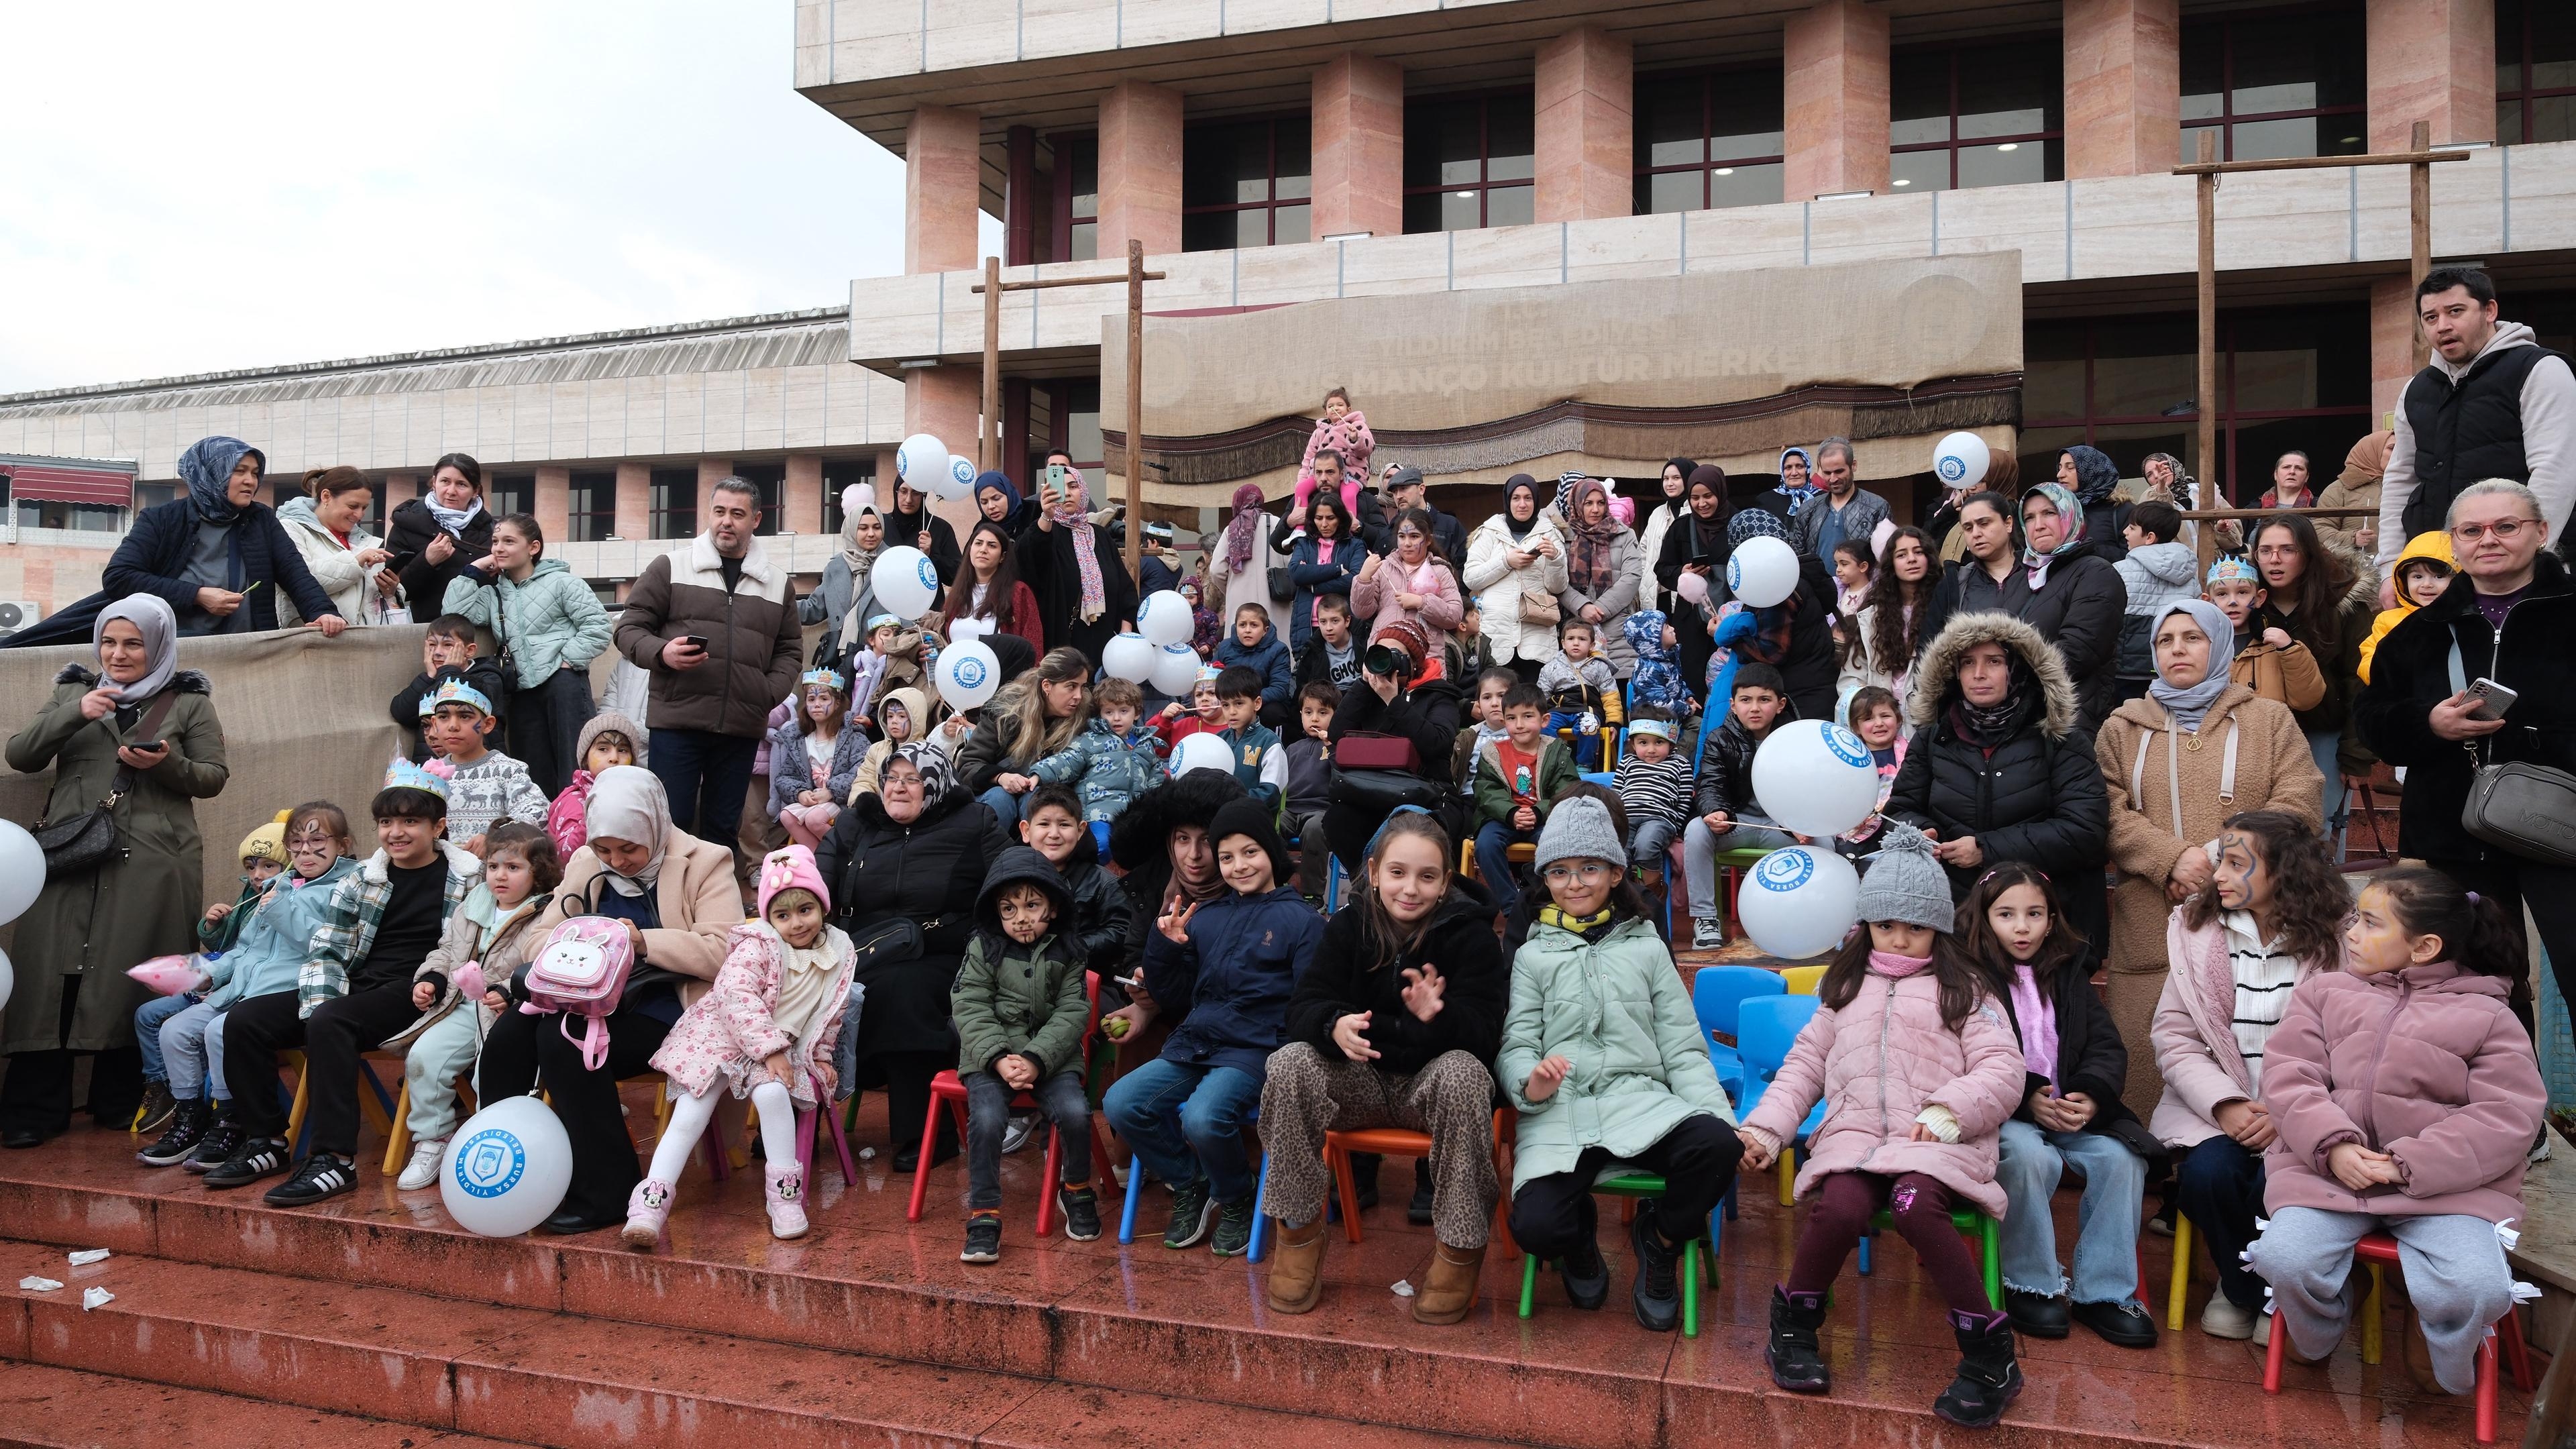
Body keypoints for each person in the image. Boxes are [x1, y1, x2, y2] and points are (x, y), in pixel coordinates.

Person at [1739, 824, 2025, 1425]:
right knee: (1839, 1206)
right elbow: (1804, 1067)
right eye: (1886, 924)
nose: (1900, 938)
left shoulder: (1965, 989)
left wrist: (1950, 1111)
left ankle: (1988, 1354)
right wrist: (1767, 1128)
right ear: (1866, 923)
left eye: (1915, 927)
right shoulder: (1843, 987)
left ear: (1938, 928)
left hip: (1934, 1144)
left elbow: (2003, 1068)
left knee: (1917, 1204)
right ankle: (1793, 1327)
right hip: (1855, 1137)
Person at [2249, 866, 2542, 1393]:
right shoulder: (2326, 993)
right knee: (2284, 1258)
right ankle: (2328, 1315)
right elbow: (2291, 1077)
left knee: (2473, 1285)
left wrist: (2411, 1163)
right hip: (2330, 1180)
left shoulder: (2490, 1016)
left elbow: (2508, 1116)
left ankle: (2439, 1345)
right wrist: (2333, 1147)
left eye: (2369, 923)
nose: (2351, 934)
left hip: (2448, 1193)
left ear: (2425, 946)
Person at [1503, 795, 1739, 1334]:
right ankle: (1579, 1238)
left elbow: (1682, 1045)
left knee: (1717, 1145)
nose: (1575, 882)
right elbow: (1517, 1042)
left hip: (1640, 1102)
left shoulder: (1648, 946)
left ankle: (1658, 1244)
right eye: (1559, 871)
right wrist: (1531, 1083)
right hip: (1561, 1112)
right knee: (1536, 1226)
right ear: (1545, 879)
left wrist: (1718, 1118)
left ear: (1614, 873)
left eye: (1589, 868)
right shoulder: (1532, 955)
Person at [1260, 812, 1507, 1322]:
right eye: (1397, 873)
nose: (1410, 888)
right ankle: (1299, 1233)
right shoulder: (1350, 925)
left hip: (1430, 1086)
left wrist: (1440, 1017)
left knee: (1465, 1073)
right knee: (1289, 1064)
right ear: (1373, 873)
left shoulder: (1474, 937)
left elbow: (1486, 1039)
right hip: (1360, 1082)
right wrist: (1332, 1026)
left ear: (1445, 884)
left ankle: (1459, 1250)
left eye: (1426, 876)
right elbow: (1302, 1007)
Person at [1, 596, 229, 1146]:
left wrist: (166, 763)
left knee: (132, 974)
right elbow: (21, 755)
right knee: (51, 972)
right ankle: (34, 1108)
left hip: (153, 861)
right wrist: (73, 715)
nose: (119, 653)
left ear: (158, 646)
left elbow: (213, 776)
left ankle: (121, 1100)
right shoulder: (72, 692)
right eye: (109, 641)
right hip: (68, 856)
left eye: (134, 643)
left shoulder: (189, 702)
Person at [477, 766, 742, 1232]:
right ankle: (509, 1173)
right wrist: (582, 937)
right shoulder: (586, 861)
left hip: (667, 1004)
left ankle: (608, 1191)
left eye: (629, 848)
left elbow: (724, 951)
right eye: (605, 848)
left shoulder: (706, 860)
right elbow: (536, 941)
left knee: (568, 1045)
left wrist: (642, 942)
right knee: (507, 1041)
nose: (615, 860)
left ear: (655, 827)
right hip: (585, 996)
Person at [205, 761, 479, 1201]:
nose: (397, 832)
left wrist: (327, 1013)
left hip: (423, 990)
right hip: (356, 987)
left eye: (411, 821)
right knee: (246, 1020)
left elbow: (472, 948)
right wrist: (321, 999)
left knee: (332, 1022)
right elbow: (328, 948)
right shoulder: (362, 879)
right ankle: (266, 1141)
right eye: (387, 822)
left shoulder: (468, 879)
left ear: (438, 826)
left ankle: (335, 1159)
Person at [2094, 600, 2322, 1123]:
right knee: (2155, 1058)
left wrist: (2215, 861)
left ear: (2221, 644)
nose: (2177, 649)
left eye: (2193, 637)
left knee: (2250, 1052)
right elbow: (2106, 811)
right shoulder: (2122, 728)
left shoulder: (2268, 719)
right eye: (2165, 640)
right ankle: (2159, 1178)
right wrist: (2169, 859)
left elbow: (2299, 800)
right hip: (2152, 914)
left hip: (2259, 916)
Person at [2356, 478, 2576, 1003]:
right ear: (2455, 543)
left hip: (2563, 826)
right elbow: (2372, 721)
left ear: (2541, 532)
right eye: (2472, 530)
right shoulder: (2416, 632)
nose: (2489, 540)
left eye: (2506, 526)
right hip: (2455, 834)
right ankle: (2502, 1089)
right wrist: (2428, 724)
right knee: (2480, 994)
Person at [2149, 811, 2347, 1341]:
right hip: (2223, 1114)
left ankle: (2270, 1292)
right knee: (2206, 1176)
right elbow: (2175, 1038)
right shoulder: (2198, 935)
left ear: (2284, 872)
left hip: (2309, 1117)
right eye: (2222, 861)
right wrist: (2227, 1105)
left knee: (2272, 1182)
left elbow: (2355, 1050)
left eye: (2237, 864)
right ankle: (2250, 1289)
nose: (2218, 876)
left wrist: (2288, 1116)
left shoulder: (2339, 946)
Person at [1105, 797, 1323, 1257]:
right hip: (1197, 1042)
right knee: (1121, 1102)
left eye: (1250, 852)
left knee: (1203, 1117)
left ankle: (1236, 1194)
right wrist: (1165, 948)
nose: (1238, 865)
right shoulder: (1208, 915)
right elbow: (1175, 995)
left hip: (1256, 1048)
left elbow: (1308, 999)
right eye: (1227, 857)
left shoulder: (1302, 920)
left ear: (1271, 852)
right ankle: (1192, 1183)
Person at [1960, 863, 2161, 1349]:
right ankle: (2030, 1282)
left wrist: (2089, 1096)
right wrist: (2029, 1097)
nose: (2022, 926)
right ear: (1985, 920)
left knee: (2121, 1159)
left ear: (2052, 919)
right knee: (2030, 1157)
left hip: (2072, 1110)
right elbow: (1963, 1055)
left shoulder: (2070, 970)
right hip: (2006, 1111)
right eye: (2006, 914)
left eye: (2035, 913)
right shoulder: (1966, 978)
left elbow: (2106, 1047)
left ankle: (2104, 1292)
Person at [616, 843, 855, 1246]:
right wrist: (770, 1048)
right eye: (783, 914)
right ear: (769, 917)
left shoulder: (839, 952)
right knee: (692, 1110)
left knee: (773, 1097)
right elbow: (735, 996)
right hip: (723, 1036)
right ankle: (651, 1203)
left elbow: (829, 1013)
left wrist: (820, 1055)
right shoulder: (757, 944)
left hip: (777, 1047)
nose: (796, 923)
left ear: (823, 907)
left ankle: (784, 1198)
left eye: (805, 910)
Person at [819, 745, 1015, 1172]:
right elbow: (816, 882)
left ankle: (926, 1134)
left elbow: (1011, 879)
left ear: (935, 784)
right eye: (892, 778)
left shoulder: (973, 823)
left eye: (912, 779)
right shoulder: (857, 823)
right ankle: (795, 1120)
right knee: (807, 985)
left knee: (902, 990)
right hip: (861, 951)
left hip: (942, 951)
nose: (899, 789)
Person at [139, 802, 354, 1172]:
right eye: (296, 843)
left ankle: (231, 1120)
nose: (305, 851)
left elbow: (327, 945)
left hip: (288, 994)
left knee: (221, 1031)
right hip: (240, 989)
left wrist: (279, 909)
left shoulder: (348, 887)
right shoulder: (278, 886)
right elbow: (244, 951)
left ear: (343, 845)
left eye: (317, 840)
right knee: (173, 1030)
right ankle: (191, 1117)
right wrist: (203, 972)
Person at [1888, 612, 2111, 952]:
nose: (1979, 674)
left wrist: (1985, 848)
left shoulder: (2062, 740)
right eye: (1967, 663)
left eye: (1993, 661)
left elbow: (2085, 830)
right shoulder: (1932, 739)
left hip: (2046, 925)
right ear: (1952, 672)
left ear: (2018, 668)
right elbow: (1901, 809)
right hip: (1956, 919)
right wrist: (1923, 833)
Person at [7, 437, 345, 648]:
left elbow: (294, 572)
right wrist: (198, 596)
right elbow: (119, 577)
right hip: (170, 648)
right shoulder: (161, 519)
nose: (250, 481)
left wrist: (323, 613)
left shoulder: (261, 519)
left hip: (243, 648)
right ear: (210, 474)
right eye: (239, 471)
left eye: (255, 472)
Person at [613, 478, 803, 847]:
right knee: (671, 828)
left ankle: (715, 904)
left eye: (737, 514)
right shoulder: (670, 567)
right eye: (719, 512)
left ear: (756, 520)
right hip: (678, 723)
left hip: (740, 726)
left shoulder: (778, 583)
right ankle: (669, 905)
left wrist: (766, 693)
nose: (726, 522)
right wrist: (663, 653)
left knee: (723, 831)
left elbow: (790, 650)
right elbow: (628, 630)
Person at [387, 820, 560, 1190]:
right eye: (494, 866)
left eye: (514, 868)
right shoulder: (474, 902)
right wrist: (430, 978)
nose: (500, 876)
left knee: (492, 1074)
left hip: (510, 1013)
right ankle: (433, 1140)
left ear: (539, 874)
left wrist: (511, 990)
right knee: (422, 1060)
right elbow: (446, 949)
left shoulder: (546, 912)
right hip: (460, 1006)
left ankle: (494, 1144)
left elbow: (547, 963)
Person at [950, 847, 1103, 1260]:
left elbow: (1074, 1012)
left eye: (1032, 905)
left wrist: (1035, 1059)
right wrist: (1000, 1058)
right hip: (990, 1058)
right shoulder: (983, 948)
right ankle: (983, 1213)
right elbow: (969, 1005)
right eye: (1009, 908)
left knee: (1074, 1113)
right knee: (985, 1119)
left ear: (1052, 908)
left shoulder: (1070, 951)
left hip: (1051, 1059)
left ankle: (1075, 1188)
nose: (1021, 917)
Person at [2376, 267, 2575, 564]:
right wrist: (2391, 564)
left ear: (2489, 310)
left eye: (2455, 311)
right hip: (2433, 567)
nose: (2442, 326)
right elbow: (2400, 479)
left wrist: (2531, 561)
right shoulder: (2416, 389)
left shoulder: (2540, 369)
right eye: (2431, 317)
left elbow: (2555, 471)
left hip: (2520, 569)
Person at [133, 813, 288, 1136]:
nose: (257, 875)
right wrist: (212, 926)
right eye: (251, 867)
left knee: (212, 1030)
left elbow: (273, 955)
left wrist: (209, 979)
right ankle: (168, 1091)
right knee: (150, 1016)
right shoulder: (249, 896)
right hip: (224, 977)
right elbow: (233, 949)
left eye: (268, 866)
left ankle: (223, 1114)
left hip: (255, 991)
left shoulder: (291, 899)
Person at [439, 513, 608, 798]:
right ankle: (543, 836)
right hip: (520, 689)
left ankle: (578, 831)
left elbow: (599, 626)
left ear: (533, 547)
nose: (499, 548)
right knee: (533, 770)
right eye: (495, 542)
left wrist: (567, 660)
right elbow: (455, 615)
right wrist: (473, 570)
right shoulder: (494, 593)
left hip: (563, 683)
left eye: (509, 541)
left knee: (575, 764)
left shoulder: (562, 583)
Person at [1102, 771, 1249, 1067]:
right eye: (1183, 838)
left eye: (1207, 841)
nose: (1193, 855)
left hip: (1228, 1025)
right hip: (1168, 1009)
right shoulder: (1153, 883)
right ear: (1170, 840)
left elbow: (1234, 983)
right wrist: (1140, 981)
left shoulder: (1248, 892)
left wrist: (1155, 1004)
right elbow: (1134, 951)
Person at [2248, 515, 2375, 841]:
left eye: (2287, 550)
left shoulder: (2344, 602)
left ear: (2308, 554)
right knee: (2259, 838)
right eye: (2265, 550)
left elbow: (2358, 680)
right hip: (2256, 739)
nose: (2274, 560)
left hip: (2324, 733)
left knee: (2318, 835)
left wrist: (2355, 755)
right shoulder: (2243, 600)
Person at [1322, 620, 1465, 871]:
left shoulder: (1440, 696)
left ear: (1414, 663)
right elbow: (1336, 732)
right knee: (1337, 819)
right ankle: (1369, 888)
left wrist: (1393, 700)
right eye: (1379, 652)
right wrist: (1364, 685)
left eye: (1394, 655)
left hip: (1426, 793)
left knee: (1407, 827)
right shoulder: (1367, 692)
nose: (1384, 661)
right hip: (1368, 789)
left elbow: (1436, 744)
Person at [1678, 663, 1800, 949]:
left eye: (1764, 700)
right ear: (1733, 705)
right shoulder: (1719, 739)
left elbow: (1810, 789)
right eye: (1746, 700)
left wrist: (1804, 823)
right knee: (1697, 830)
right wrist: (1715, 811)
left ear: (1780, 704)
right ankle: (1706, 919)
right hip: (1737, 824)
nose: (1754, 708)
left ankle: (1811, 920)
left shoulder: (1796, 740)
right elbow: (1710, 783)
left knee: (1825, 840)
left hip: (1782, 829)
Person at [2004, 482, 2128, 730]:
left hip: (2067, 721)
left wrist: (2003, 672)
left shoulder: (2096, 573)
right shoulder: (2021, 576)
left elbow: (2076, 653)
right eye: (2029, 517)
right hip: (2017, 716)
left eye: (2049, 513)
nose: (2038, 525)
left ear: (2071, 515)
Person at [1470, 682, 1581, 921]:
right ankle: (1512, 907)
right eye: (1511, 718)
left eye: (1527, 716)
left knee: (1557, 844)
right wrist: (1511, 813)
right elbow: (1486, 791)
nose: (1519, 725)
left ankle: (1546, 900)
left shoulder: (1557, 750)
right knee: (1485, 845)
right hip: (1503, 818)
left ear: (1545, 720)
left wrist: (1538, 812)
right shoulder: (1493, 752)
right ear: (1504, 721)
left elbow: (1567, 790)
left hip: (1543, 819)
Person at [1717, 508, 1839, 720]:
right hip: (1815, 686)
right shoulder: (1794, 575)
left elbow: (1772, 652)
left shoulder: (1777, 587)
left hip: (1798, 697)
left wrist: (1731, 638)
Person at [1020, 458, 1138, 666]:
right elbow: (1029, 558)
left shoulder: (1100, 536)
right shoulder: (1047, 532)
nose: (1066, 492)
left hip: (1106, 649)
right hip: (1063, 649)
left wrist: (1125, 633)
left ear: (1083, 491)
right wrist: (1046, 516)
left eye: (1073, 486)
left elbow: (1124, 588)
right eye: (1059, 487)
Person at [957, 646, 1092, 823]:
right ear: (1047, 686)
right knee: (1001, 797)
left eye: (1082, 687)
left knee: (1037, 798)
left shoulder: (1083, 719)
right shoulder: (1005, 713)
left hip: (1047, 806)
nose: (1078, 696)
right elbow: (968, 765)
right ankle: (989, 849)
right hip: (993, 799)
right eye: (1071, 687)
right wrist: (1000, 777)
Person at [416, 675, 547, 852]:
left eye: (465, 716)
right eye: (444, 717)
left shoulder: (508, 771)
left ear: (488, 724)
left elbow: (538, 813)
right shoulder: (428, 775)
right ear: (434, 723)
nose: (453, 726)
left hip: (494, 874)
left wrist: (495, 837)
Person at [1030, 674, 1161, 850]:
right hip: (1099, 814)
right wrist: (1039, 774)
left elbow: (1157, 782)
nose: (1116, 718)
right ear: (1099, 714)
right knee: (1101, 845)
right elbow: (1067, 760)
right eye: (1109, 712)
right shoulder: (1091, 741)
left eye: (1123, 711)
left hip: (1134, 816)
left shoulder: (1146, 745)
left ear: (1136, 713)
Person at [1464, 474, 1571, 686]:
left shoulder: (1550, 533)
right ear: (1507, 501)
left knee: (1533, 702)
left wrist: (1556, 559)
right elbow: (1471, 579)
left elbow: (1557, 587)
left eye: (1528, 498)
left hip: (1537, 636)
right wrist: (1506, 562)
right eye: (1516, 498)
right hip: (1497, 635)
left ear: (1536, 501)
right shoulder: (1489, 532)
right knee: (1499, 704)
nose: (1522, 504)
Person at [277, 466, 402, 626]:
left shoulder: (366, 541)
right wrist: (356, 562)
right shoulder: (289, 528)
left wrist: (389, 591)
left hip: (365, 643)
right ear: (326, 497)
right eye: (353, 506)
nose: (359, 515)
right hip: (315, 642)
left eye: (364, 508)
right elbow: (299, 581)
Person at [2202, 556, 2326, 712]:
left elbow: (2306, 700)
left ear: (2260, 598)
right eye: (2222, 594)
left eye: (2242, 592)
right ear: (2207, 601)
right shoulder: (2201, 647)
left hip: (2268, 733)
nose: (2232, 601)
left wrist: (2290, 650)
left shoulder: (2276, 647)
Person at [383, 453, 496, 618]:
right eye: (445, 482)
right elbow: (396, 591)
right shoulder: (408, 523)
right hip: (430, 631)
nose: (451, 491)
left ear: (475, 491)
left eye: (461, 484)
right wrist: (427, 561)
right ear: (434, 482)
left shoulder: (490, 528)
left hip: (479, 629)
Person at [1550, 479, 1642, 678]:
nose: (1595, 509)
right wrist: (1582, 607)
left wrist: (1599, 610)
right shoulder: (1563, 537)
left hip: (1618, 627)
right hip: (1577, 626)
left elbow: (1632, 576)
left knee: (1618, 694)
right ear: (1577, 504)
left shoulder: (1624, 534)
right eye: (1588, 503)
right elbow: (1557, 581)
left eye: (1601, 503)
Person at [769, 669, 867, 851]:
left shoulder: (852, 736)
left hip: (839, 800)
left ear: (837, 703)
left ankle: (841, 855)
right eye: (811, 700)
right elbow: (784, 777)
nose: (817, 705)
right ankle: (817, 861)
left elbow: (862, 769)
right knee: (786, 816)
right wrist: (799, 793)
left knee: (815, 819)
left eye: (824, 699)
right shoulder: (799, 740)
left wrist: (831, 791)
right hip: (814, 799)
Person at [391, 615, 511, 763]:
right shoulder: (431, 678)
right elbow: (401, 713)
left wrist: (448, 671)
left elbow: (453, 696)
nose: (437, 652)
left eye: (447, 645)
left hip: (477, 767)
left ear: (470, 650)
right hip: (432, 770)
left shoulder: (488, 677)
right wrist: (428, 677)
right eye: (432, 645)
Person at [2110, 501, 2196, 700]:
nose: (2125, 532)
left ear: (2149, 538)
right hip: (2172, 665)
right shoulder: (2188, 574)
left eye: (2132, 528)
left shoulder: (2120, 570)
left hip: (2127, 670)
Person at [1839, 525, 1937, 702]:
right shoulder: (1872, 616)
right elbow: (1851, 679)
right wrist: (1870, 706)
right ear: (1891, 563)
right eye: (1902, 555)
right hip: (1882, 717)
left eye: (1918, 552)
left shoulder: (1943, 607)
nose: (1911, 559)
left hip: (1926, 716)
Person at [1915, 490, 2019, 651]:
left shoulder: (2040, 574)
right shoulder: (1954, 584)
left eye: (1984, 523)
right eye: (1968, 528)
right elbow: (1928, 649)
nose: (1976, 534)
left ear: (2008, 523)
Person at [1275, 486, 1365, 661]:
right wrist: (1337, 569)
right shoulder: (1304, 543)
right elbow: (1297, 574)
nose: (1324, 524)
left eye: (1330, 518)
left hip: (1343, 628)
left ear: (1340, 518)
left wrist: (1314, 585)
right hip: (1307, 626)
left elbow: (1354, 580)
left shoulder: (1355, 545)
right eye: (1319, 518)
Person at [1354, 506, 1465, 645]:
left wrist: (1421, 602)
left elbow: (1454, 616)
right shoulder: (1382, 569)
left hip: (1427, 656)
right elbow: (1361, 612)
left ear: (1429, 539)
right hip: (1384, 652)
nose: (1407, 543)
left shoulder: (1440, 571)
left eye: (1414, 536)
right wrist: (1363, 580)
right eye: (1402, 536)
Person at [2356, 531, 2455, 684]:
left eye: (2439, 576)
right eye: (2417, 577)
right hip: (2402, 693)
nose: (2427, 584)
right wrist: (2390, 674)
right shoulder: (2388, 620)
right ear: (2403, 579)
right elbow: (2369, 659)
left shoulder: (2464, 617)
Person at [802, 501, 887, 671]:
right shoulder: (835, 567)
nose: (871, 534)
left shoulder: (892, 562)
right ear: (851, 529)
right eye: (863, 528)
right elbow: (814, 609)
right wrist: (778, 601)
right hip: (841, 660)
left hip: (881, 660)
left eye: (877, 527)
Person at [942, 519, 1045, 655]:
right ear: (970, 550)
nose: (983, 550)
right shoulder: (957, 594)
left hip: (1003, 674)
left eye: (992, 546)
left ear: (1002, 557)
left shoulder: (1019, 593)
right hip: (954, 673)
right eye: (978, 543)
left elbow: (1033, 646)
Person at [547, 711, 643, 858]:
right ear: (585, 758)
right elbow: (567, 856)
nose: (614, 758)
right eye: (603, 749)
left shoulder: (640, 796)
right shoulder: (574, 801)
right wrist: (595, 814)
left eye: (623, 750)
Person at [1537, 618, 1622, 771]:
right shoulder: (1551, 667)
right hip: (1560, 710)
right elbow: (1542, 695)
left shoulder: (1599, 667)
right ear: (1563, 643)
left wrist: (1613, 722)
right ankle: (1557, 763)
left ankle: (1584, 765)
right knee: (1545, 726)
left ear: (1592, 645)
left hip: (1587, 711)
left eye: (1582, 639)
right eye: (1571, 639)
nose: (1576, 643)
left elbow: (1610, 696)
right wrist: (1538, 715)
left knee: (1590, 726)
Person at [1792, 437, 1890, 568]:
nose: (1833, 479)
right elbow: (1797, 559)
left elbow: (1885, 561)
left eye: (1839, 471)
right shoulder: (1807, 510)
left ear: (1853, 465)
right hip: (1819, 587)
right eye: (1827, 473)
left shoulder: (1877, 507)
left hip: (1863, 588)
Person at [1615, 708, 1692, 871]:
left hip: (1658, 819)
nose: (1651, 749)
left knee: (1646, 848)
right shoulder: (1627, 761)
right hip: (1626, 818)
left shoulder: (1680, 764)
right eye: (1643, 742)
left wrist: (1675, 826)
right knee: (1618, 854)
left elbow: (1685, 800)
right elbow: (1616, 792)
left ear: (1671, 744)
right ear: (1633, 744)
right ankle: (1625, 893)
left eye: (1659, 742)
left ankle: (1652, 893)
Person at [851, 686, 959, 798]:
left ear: (917, 718)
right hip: (876, 810)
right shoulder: (876, 749)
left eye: (902, 716)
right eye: (890, 716)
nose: (894, 721)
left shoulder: (925, 753)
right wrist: (861, 803)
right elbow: (864, 779)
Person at [1283, 682, 1337, 901]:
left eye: (1323, 712)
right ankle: (1275, 885)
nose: (1314, 718)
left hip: (1320, 810)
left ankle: (1313, 895)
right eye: (1309, 712)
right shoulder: (1292, 748)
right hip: (1290, 809)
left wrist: (1333, 748)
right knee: (1267, 825)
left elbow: (1343, 778)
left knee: (1314, 830)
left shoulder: (1339, 747)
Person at [1210, 665, 1289, 810]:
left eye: (1239, 703)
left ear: (1257, 703)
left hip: (1254, 818)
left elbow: (1270, 794)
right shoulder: (1219, 740)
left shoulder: (1269, 743)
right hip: (1218, 817)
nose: (1232, 711)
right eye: (1225, 705)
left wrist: (1230, 802)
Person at [1293, 387, 1375, 520]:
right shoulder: (1319, 432)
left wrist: (1355, 438)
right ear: (1325, 413)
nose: (1335, 408)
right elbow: (1308, 458)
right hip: (1322, 475)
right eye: (1330, 406)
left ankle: (1349, 530)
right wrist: (1303, 479)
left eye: (1340, 405)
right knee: (1301, 489)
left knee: (1348, 496)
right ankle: (1300, 528)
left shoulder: (1357, 426)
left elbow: (1368, 448)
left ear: (1349, 409)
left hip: (1351, 474)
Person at [1214, 602, 1295, 728]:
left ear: (1265, 630)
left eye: (1254, 625)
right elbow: (1212, 678)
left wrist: (1249, 701)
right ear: (1236, 627)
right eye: (1242, 625)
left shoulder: (1278, 650)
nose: (1247, 630)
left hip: (1261, 702)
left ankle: (1273, 744)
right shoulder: (1225, 647)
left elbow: (1280, 688)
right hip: (1230, 700)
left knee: (1274, 713)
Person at [1635, 458, 1697, 616]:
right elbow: (1643, 553)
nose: (1670, 483)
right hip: (1657, 593)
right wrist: (1644, 582)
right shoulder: (1657, 513)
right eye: (1666, 479)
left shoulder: (1697, 512)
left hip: (1688, 596)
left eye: (1676, 478)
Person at [2316, 431, 2392, 559]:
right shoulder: (2340, 489)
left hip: (2402, 568)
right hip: (2355, 571)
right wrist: (2352, 538)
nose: (2398, 454)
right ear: (2372, 451)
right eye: (2392, 448)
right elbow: (2318, 530)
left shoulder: (2409, 486)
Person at [1383, 465, 1468, 568]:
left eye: (1404, 488)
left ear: (1421, 489)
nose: (1399, 496)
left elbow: (1464, 567)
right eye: (1395, 492)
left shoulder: (1450, 525)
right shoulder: (1387, 532)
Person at [886, 474, 963, 584]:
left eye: (916, 493)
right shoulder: (881, 525)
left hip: (928, 600)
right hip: (886, 599)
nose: (909, 500)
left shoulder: (940, 528)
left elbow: (957, 576)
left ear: (924, 496)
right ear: (896, 492)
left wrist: (932, 555)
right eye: (903, 491)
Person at [1291, 591, 1363, 696]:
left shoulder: (1365, 640)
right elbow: (1303, 691)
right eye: (1323, 622)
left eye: (1335, 621)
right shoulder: (1312, 652)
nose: (1328, 628)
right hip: (1333, 704)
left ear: (1347, 621)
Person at [1754, 445, 1817, 527]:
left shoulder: (1823, 498)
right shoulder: (1765, 500)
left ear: (1807, 469)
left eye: (1800, 467)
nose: (1794, 473)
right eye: (1788, 467)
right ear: (1782, 471)